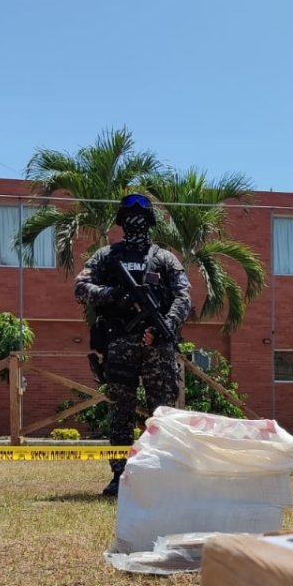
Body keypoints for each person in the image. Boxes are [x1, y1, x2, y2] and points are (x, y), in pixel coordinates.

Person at [74, 193, 192, 497]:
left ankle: (161, 473)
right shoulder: (106, 256)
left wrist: (163, 325)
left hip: (157, 345)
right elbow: (81, 287)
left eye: (140, 216)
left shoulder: (164, 258)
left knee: (162, 412)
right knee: (120, 412)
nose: (135, 221)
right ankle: (120, 475)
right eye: (129, 216)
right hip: (119, 343)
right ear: (121, 222)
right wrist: (113, 295)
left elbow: (183, 297)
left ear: (150, 221)